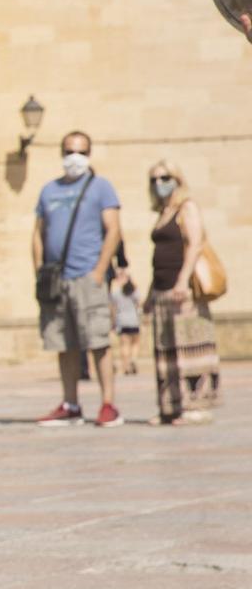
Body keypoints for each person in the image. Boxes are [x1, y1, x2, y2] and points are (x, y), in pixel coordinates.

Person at [32, 132, 123, 427]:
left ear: (89, 154)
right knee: (63, 341)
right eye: (70, 151)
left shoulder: (100, 188)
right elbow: (38, 233)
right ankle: (70, 404)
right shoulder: (49, 191)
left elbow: (113, 230)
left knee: (97, 341)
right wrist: (39, 270)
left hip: (87, 276)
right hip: (58, 279)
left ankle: (108, 404)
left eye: (81, 151)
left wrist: (99, 270)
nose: (75, 157)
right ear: (61, 153)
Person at [145, 160, 221, 425]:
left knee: (191, 349)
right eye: (154, 179)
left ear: (178, 179)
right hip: (162, 290)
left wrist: (182, 280)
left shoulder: (185, 208)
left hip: (183, 289)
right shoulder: (163, 211)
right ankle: (171, 406)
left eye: (165, 178)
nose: (159, 184)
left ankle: (196, 406)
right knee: (167, 350)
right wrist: (149, 295)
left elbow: (195, 244)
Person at [111, 264, 143, 377]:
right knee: (135, 343)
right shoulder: (135, 291)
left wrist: (113, 322)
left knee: (124, 345)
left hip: (122, 320)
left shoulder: (116, 293)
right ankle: (133, 359)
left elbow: (113, 309)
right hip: (134, 320)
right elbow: (139, 304)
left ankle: (126, 366)